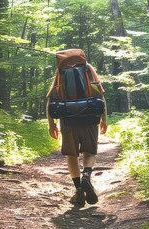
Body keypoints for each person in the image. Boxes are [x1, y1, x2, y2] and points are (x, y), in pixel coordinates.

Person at [46, 49, 107, 207]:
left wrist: (51, 124)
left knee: (71, 155)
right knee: (90, 151)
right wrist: (104, 119)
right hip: (90, 117)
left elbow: (51, 99)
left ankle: (79, 190)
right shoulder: (88, 69)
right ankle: (87, 175)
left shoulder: (60, 72)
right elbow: (100, 95)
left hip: (68, 120)